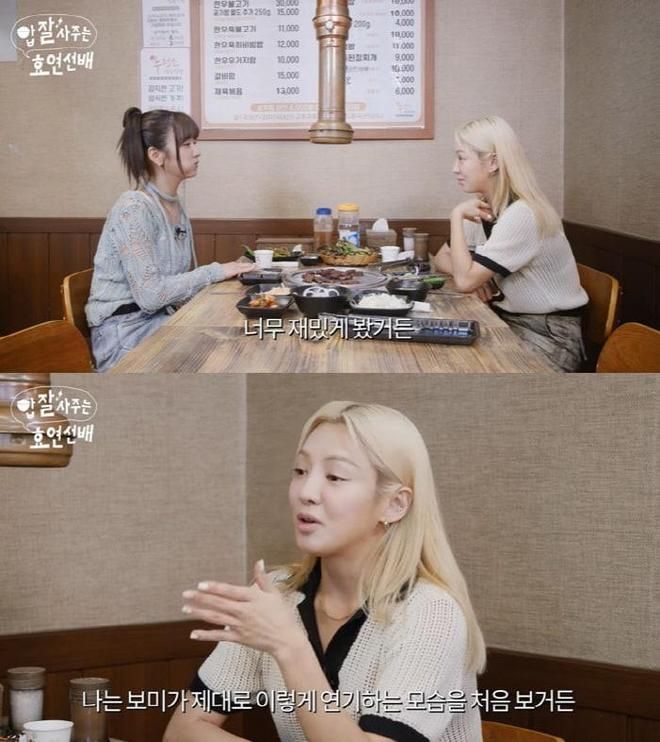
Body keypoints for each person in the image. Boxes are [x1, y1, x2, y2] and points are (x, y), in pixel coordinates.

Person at [165, 401, 485, 742]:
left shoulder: (431, 614)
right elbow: (182, 730)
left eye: (335, 477)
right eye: (300, 471)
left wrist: (289, 644)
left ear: (395, 504)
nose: (306, 492)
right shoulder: (276, 595)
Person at [85, 107, 254, 371]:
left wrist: (228, 275)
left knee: (240, 336)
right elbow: (151, 295)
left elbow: (170, 287)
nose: (197, 152)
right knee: (228, 352)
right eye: (187, 144)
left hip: (160, 320)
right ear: (156, 155)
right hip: (125, 335)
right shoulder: (133, 208)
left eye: (195, 142)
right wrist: (216, 271)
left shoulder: (174, 205)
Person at [432, 116, 588, 372]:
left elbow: (464, 281)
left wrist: (456, 216)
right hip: (511, 321)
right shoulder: (486, 206)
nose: (454, 168)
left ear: (493, 162)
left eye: (461, 158)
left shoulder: (522, 214)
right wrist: (479, 277)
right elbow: (441, 258)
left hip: (550, 336)